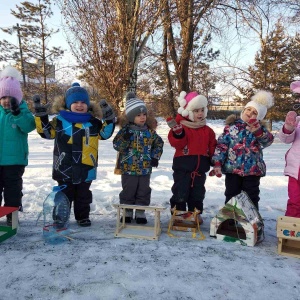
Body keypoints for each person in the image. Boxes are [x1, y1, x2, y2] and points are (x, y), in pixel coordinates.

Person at [34, 82, 116, 227]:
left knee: (83, 195)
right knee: (63, 195)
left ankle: (82, 216)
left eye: (83, 102)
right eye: (75, 102)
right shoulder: (59, 121)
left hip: (86, 167)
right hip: (64, 166)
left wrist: (109, 119)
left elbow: (105, 134)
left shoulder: (93, 123)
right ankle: (60, 217)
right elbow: (47, 133)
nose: (80, 105)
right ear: (68, 104)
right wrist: (41, 117)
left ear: (88, 104)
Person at [210, 90, 274, 211]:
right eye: (248, 109)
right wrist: (217, 163)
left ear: (259, 117)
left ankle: (252, 222)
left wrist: (258, 131)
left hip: (252, 171)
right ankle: (230, 220)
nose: (250, 113)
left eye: (255, 112)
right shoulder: (231, 127)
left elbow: (268, 141)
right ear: (243, 110)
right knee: (231, 194)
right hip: (232, 169)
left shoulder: (260, 131)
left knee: (251, 196)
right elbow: (222, 146)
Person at [113, 92, 164, 224]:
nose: (142, 117)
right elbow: (117, 145)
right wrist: (124, 139)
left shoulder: (150, 132)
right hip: (128, 168)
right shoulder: (125, 131)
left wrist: (155, 156)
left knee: (143, 190)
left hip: (145, 169)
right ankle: (127, 211)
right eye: (138, 115)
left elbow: (159, 143)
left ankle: (140, 212)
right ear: (131, 117)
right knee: (128, 190)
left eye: (144, 115)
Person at [167, 91, 217, 223]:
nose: (200, 113)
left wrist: (215, 161)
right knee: (180, 191)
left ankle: (195, 213)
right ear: (188, 112)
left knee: (198, 193)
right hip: (183, 168)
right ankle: (178, 213)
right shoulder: (181, 127)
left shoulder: (208, 130)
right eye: (196, 111)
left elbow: (212, 147)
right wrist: (178, 134)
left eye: (202, 110)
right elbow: (176, 143)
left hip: (200, 170)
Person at [0, 66, 35, 225]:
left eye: (11, 97)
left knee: (13, 191)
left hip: (14, 162)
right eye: (3, 97)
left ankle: (11, 216)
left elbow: (29, 126)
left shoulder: (23, 112)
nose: (7, 100)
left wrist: (17, 114)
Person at [277, 81, 300, 218]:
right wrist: (289, 128)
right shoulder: (298, 121)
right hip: (295, 169)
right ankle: (291, 228)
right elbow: (285, 139)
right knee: (295, 200)